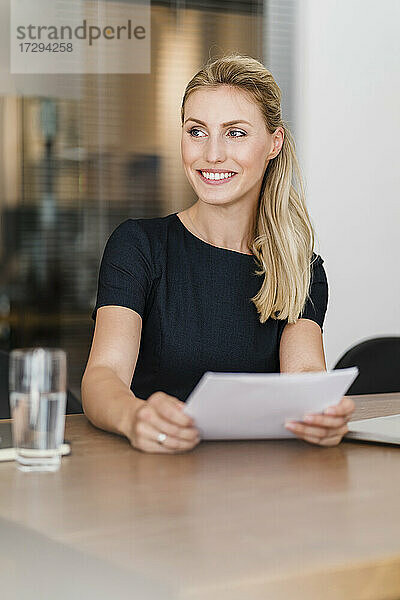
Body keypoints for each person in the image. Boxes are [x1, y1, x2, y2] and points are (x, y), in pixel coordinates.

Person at [81, 53, 355, 453]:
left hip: (259, 484)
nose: (211, 155)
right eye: (196, 131)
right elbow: (103, 375)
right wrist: (133, 416)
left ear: (273, 142)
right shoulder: (139, 246)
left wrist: (323, 416)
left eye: (235, 133)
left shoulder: (300, 267)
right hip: (155, 474)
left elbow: (306, 377)